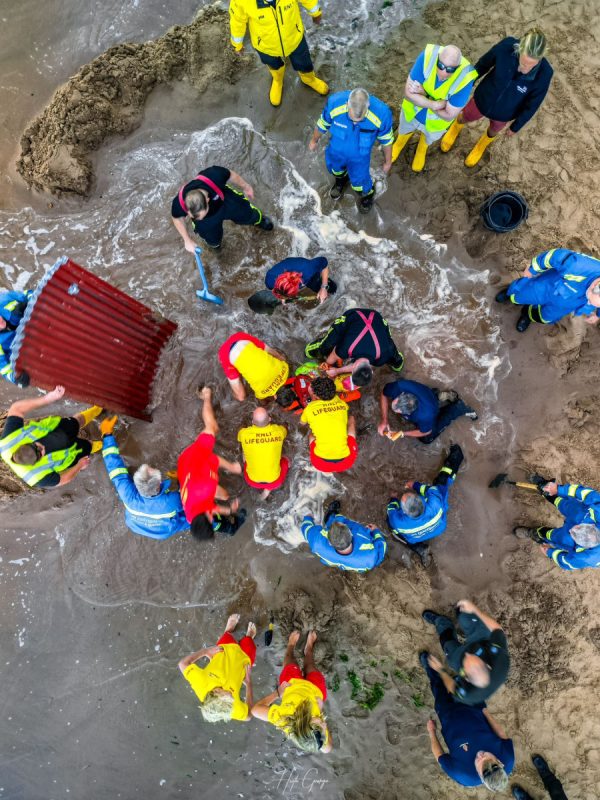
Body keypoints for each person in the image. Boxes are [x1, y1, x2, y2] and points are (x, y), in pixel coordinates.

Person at [441, 29, 553, 167]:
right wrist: (466, 86)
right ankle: (455, 128)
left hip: (505, 113)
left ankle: (481, 145)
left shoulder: (545, 73)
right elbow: (482, 65)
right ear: (519, 47)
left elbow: (534, 103)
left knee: (494, 130)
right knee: (466, 115)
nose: (525, 69)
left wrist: (516, 126)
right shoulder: (506, 46)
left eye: (531, 65)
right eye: (523, 63)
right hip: (483, 98)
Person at [419, 652, 514, 791]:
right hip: (473, 709)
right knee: (465, 683)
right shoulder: (508, 758)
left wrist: (432, 732)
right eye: (491, 762)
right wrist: (485, 711)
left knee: (439, 692)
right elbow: (502, 735)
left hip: (448, 717)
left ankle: (431, 670)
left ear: (481, 778)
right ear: (500, 762)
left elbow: (440, 756)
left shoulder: (463, 775)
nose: (481, 756)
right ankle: (456, 671)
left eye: (481, 765)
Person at [100, 415, 189, 539]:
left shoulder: (127, 495)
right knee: (196, 518)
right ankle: (218, 525)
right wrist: (182, 480)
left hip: (136, 525)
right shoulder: (171, 500)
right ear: (159, 484)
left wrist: (107, 435)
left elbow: (115, 470)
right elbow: (189, 500)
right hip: (163, 531)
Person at [391, 44, 476, 172]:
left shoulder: (465, 77)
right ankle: (400, 142)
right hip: (412, 112)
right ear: (437, 59)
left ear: (457, 68)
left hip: (435, 124)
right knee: (405, 128)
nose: (443, 73)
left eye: (450, 70)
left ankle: (422, 148)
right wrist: (435, 104)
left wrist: (422, 93)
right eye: (440, 66)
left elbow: (449, 115)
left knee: (428, 137)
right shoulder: (428, 56)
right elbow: (408, 94)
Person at [229, 0, 328, 107]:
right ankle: (277, 80)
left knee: (304, 61)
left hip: (294, 38)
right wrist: (237, 44)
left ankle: (309, 79)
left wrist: (315, 12)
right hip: (266, 46)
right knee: (273, 64)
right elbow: (237, 21)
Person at [0, 385, 102, 489]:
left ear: (24, 444)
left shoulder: (7, 441)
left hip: (55, 430)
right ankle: (102, 443)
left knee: (76, 421)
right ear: (35, 462)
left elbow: (16, 408)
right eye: (41, 452)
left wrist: (48, 398)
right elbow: (63, 479)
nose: (43, 447)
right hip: (69, 454)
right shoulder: (36, 478)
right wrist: (80, 465)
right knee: (88, 446)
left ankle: (98, 409)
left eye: (37, 445)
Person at [309, 88, 394, 213]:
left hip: (360, 159)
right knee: (335, 170)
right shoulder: (334, 103)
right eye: (352, 117)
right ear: (348, 104)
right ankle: (340, 181)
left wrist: (388, 161)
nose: (355, 122)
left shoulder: (382, 114)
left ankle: (367, 195)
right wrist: (314, 141)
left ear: (368, 106)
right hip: (336, 153)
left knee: (360, 183)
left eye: (359, 119)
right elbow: (322, 124)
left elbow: (386, 140)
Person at [177, 387, 244, 541]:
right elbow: (210, 508)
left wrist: (232, 467)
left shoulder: (206, 486)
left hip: (192, 459)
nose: (213, 518)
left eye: (211, 518)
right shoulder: (191, 519)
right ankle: (206, 396)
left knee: (212, 428)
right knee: (225, 495)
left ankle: (206, 395)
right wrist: (229, 510)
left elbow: (213, 459)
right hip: (186, 473)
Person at [251, 630, 332, 753]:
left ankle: (291, 645)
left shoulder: (284, 719)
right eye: (323, 725)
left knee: (290, 661)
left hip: (291, 685)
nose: (325, 725)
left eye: (320, 722)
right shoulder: (319, 737)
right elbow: (328, 748)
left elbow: (255, 710)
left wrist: (277, 693)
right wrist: (319, 711)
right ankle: (308, 649)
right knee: (310, 665)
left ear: (304, 723)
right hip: (316, 690)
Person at [387, 444, 464, 566]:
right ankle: (457, 457)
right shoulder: (434, 503)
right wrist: (415, 485)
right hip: (439, 528)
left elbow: (391, 509)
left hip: (416, 536)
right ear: (421, 500)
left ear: (404, 512)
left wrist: (393, 498)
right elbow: (429, 489)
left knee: (392, 529)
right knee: (441, 482)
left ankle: (419, 548)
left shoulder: (397, 521)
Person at [422, 600, 510, 706]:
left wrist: (441, 671)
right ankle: (461, 612)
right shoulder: (500, 661)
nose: (467, 654)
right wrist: (475, 610)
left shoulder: (467, 694)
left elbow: (453, 687)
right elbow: (497, 629)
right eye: (473, 657)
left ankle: (443, 622)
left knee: (447, 645)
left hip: (459, 659)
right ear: (488, 666)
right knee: (465, 613)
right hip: (482, 640)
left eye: (467, 660)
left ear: (466, 678)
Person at [495, 248, 600, 333]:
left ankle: (527, 314)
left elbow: (595, 301)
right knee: (522, 294)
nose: (589, 304)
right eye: (590, 301)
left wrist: (597, 314)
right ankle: (511, 295)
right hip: (548, 287)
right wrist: (533, 269)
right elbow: (555, 256)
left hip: (567, 304)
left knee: (545, 317)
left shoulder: (594, 297)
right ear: (596, 284)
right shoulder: (578, 266)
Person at [171, 165, 273, 252]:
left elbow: (231, 175)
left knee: (249, 214)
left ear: (207, 200)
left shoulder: (214, 175)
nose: (199, 218)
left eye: (201, 215)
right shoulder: (179, 203)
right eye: (194, 217)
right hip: (208, 223)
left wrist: (246, 186)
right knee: (213, 242)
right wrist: (187, 240)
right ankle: (217, 248)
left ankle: (259, 221)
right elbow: (177, 218)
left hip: (225, 201)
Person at [178, 613, 256, 723]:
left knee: (227, 637)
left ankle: (228, 630)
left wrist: (206, 652)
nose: (233, 699)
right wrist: (248, 684)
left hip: (223, 651)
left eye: (229, 698)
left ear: (215, 692)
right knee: (249, 644)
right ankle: (249, 637)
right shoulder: (229, 708)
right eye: (231, 702)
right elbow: (248, 715)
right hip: (243, 663)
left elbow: (183, 664)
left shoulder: (201, 684)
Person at [513, 480, 600, 570]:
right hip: (583, 513)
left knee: (555, 537)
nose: (570, 530)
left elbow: (567, 562)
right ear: (593, 526)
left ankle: (535, 533)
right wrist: (558, 489)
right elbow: (588, 494)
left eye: (574, 535)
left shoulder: (589, 558)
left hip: (571, 539)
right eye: (578, 528)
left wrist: (550, 552)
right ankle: (547, 490)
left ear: (585, 547)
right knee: (566, 505)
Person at [305, 308, 404, 373]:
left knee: (397, 362)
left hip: (377, 319)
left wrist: (337, 371)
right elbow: (333, 356)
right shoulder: (347, 347)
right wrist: (327, 365)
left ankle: (398, 369)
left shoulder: (385, 354)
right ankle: (308, 351)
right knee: (326, 345)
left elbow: (355, 366)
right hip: (355, 316)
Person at [378, 379, 477, 444]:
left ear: (409, 413)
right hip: (425, 394)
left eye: (398, 411)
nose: (394, 411)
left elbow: (426, 431)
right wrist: (384, 420)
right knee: (429, 397)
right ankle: (438, 396)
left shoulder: (424, 415)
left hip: (430, 408)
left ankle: (457, 408)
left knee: (427, 439)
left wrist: (402, 433)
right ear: (401, 394)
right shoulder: (398, 386)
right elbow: (384, 394)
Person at [301, 499, 386, 571]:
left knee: (332, 520)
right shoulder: (369, 558)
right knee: (345, 522)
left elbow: (306, 529)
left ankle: (332, 515)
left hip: (331, 560)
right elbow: (381, 549)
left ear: (330, 543)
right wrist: (376, 532)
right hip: (357, 564)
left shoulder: (317, 542)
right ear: (351, 534)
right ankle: (335, 516)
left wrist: (308, 517)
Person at [299, 376, 357, 473]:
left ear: (316, 396)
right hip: (347, 461)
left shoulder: (309, 409)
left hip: (320, 463)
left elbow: (302, 423)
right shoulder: (341, 403)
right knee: (351, 420)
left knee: (311, 435)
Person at [275, 359, 367, 413]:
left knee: (356, 394)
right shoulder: (297, 380)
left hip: (330, 390)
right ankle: (338, 364)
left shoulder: (303, 403)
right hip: (324, 375)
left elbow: (305, 410)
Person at [219, 332, 289, 402]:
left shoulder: (286, 368)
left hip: (233, 346)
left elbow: (278, 356)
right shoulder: (262, 393)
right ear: (275, 396)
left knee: (240, 395)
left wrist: (233, 394)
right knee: (262, 400)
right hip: (230, 350)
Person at [237, 407, 288, 499]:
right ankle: (267, 491)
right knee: (287, 459)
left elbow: (240, 429)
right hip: (274, 480)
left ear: (252, 421)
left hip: (251, 480)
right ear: (269, 419)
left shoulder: (244, 434)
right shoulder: (278, 431)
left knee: (245, 452)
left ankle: (263, 493)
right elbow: (285, 428)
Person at [265, 256, 336, 304]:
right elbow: (276, 290)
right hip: (291, 266)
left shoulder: (308, 269)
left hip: (309, 276)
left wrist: (324, 287)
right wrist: (282, 297)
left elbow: (324, 261)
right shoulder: (270, 279)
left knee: (332, 289)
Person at [0, 288, 31, 386]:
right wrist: (17, 378)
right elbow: (5, 370)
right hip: (30, 353)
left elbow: (29, 293)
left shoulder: (6, 300)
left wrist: (29, 302)